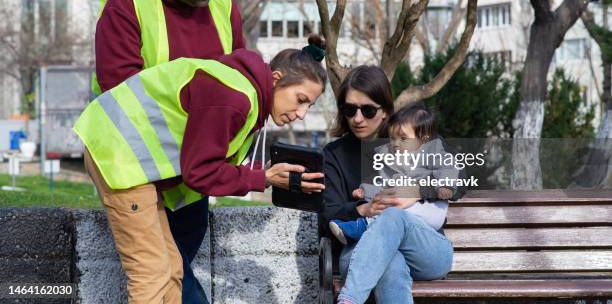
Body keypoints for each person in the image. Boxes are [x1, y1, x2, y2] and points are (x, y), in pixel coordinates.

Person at [74, 36, 327, 303]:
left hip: (128, 158)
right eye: (300, 99)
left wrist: (262, 174)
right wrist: (262, 178)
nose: (301, 114)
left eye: (309, 106)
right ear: (276, 78)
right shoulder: (234, 98)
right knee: (151, 273)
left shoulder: (244, 91)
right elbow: (201, 172)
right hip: (118, 154)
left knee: (172, 268)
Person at [93, 0, 245, 304]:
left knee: (175, 273)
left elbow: (237, 73)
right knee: (159, 276)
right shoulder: (126, 3)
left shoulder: (222, 2)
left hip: (193, 175)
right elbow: (121, 95)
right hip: (139, 170)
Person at [319, 66, 456, 304]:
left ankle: (349, 299)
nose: (357, 118)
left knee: (392, 218)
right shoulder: (334, 155)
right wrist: (362, 209)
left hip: (422, 249)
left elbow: (458, 179)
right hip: (361, 249)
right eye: (350, 110)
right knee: (388, 261)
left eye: (368, 110)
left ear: (385, 110)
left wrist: (417, 191)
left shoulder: (414, 135)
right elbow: (326, 215)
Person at [328, 104, 459, 244]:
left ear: (424, 139)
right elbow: (384, 186)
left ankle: (363, 227)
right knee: (388, 205)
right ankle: (364, 228)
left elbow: (448, 167)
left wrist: (446, 185)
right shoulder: (390, 159)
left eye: (403, 138)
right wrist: (365, 190)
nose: (396, 144)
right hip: (403, 212)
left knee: (392, 214)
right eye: (392, 138)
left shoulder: (432, 152)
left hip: (430, 209)